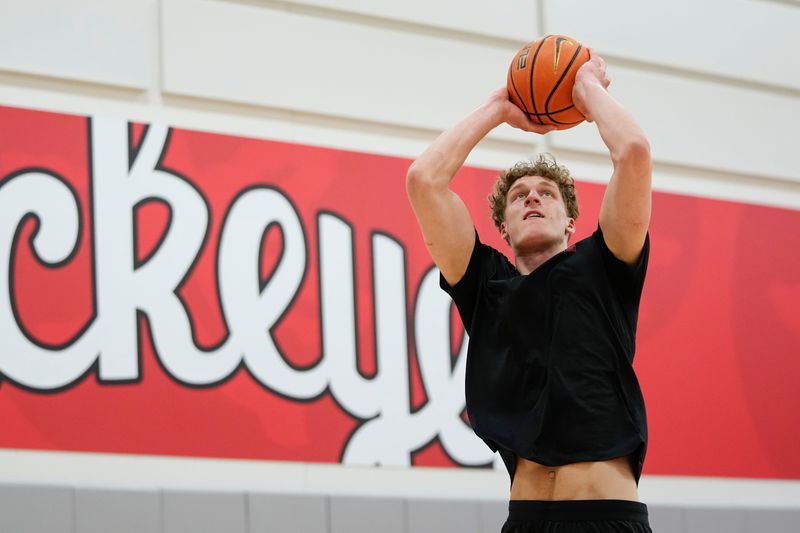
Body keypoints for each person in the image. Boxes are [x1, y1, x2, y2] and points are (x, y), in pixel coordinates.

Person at [406, 50, 654, 532]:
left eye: (546, 192)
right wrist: (499, 105)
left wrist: (585, 88)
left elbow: (635, 152)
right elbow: (424, 180)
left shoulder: (605, 265)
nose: (532, 197)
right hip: (526, 520)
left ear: (571, 222)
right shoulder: (487, 285)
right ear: (503, 224)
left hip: (605, 517)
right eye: (519, 196)